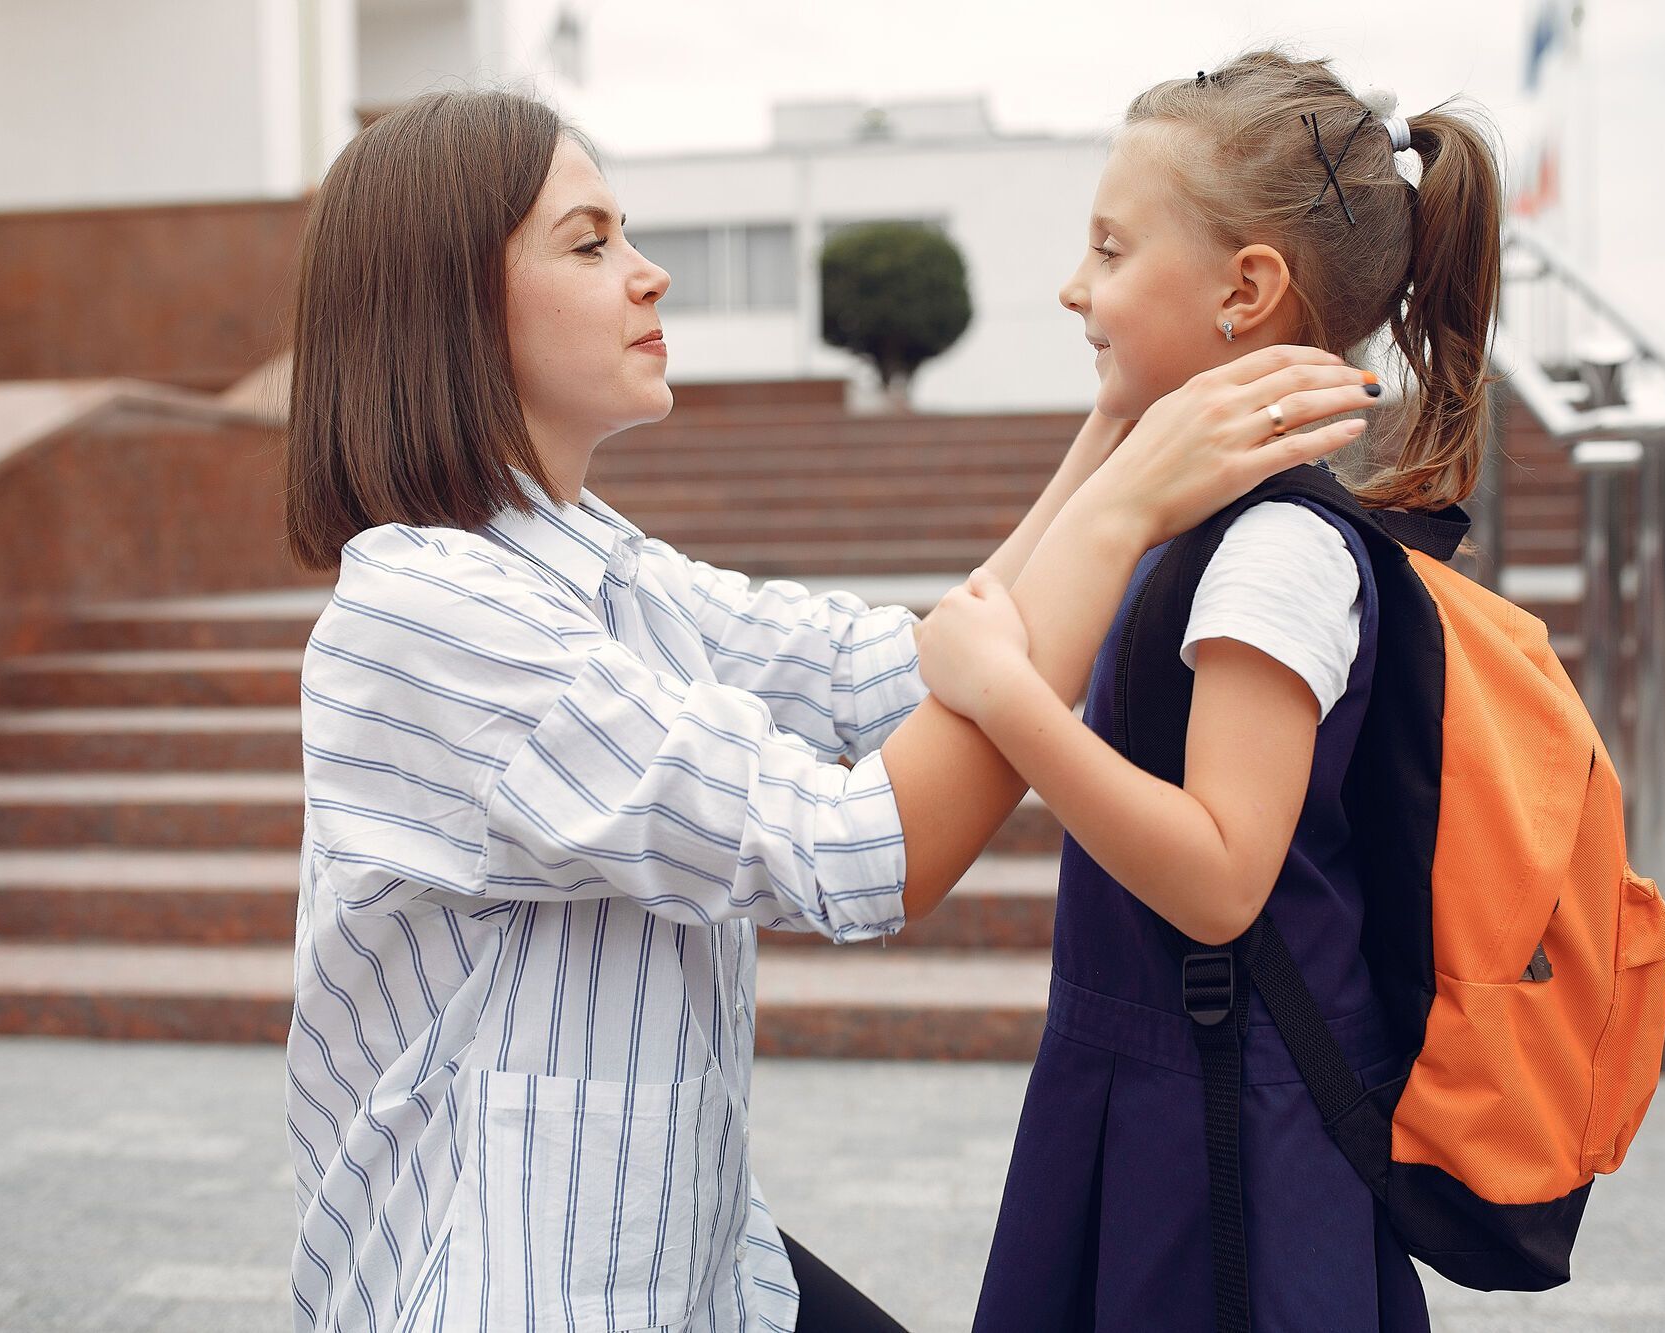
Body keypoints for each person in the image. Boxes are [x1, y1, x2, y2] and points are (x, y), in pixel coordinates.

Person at [279, 89, 1375, 1332]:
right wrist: (1123, 511)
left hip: (695, 1266)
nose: (650, 277)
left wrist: (1119, 423)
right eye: (589, 244)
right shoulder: (427, 615)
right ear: (448, 306)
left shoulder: (600, 561)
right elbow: (859, 849)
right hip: (519, 1292)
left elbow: (894, 677)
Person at [916, 50, 1503, 1333]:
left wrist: (1012, 703)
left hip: (1226, 1129)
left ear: (1245, 288)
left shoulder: (1273, 551)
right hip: (1157, 1088)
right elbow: (982, 618)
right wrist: (1115, 421)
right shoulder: (1195, 523)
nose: (1076, 287)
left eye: (1112, 250)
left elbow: (1222, 872)